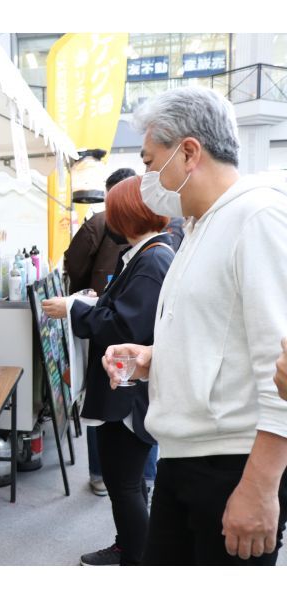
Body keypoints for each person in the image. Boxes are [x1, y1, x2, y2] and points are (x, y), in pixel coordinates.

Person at [102, 86, 287, 565]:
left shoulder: (258, 216)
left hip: (231, 463)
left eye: (149, 161)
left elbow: (281, 366)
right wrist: (150, 361)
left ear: (188, 153)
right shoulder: (198, 226)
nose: (145, 178)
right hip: (183, 455)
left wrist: (261, 486)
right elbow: (221, 338)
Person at [43, 176, 174, 566]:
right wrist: (94, 302)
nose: (107, 221)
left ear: (129, 217)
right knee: (125, 482)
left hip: (128, 391)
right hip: (125, 386)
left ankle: (136, 558)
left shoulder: (152, 259)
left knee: (124, 483)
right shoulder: (144, 254)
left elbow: (124, 329)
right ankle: (130, 547)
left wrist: (76, 309)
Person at [64, 167, 135, 498]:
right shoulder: (154, 239)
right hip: (131, 336)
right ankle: (137, 475)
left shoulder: (102, 221)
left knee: (102, 395)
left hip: (105, 322)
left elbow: (73, 260)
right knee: (131, 398)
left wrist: (77, 296)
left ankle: (101, 475)